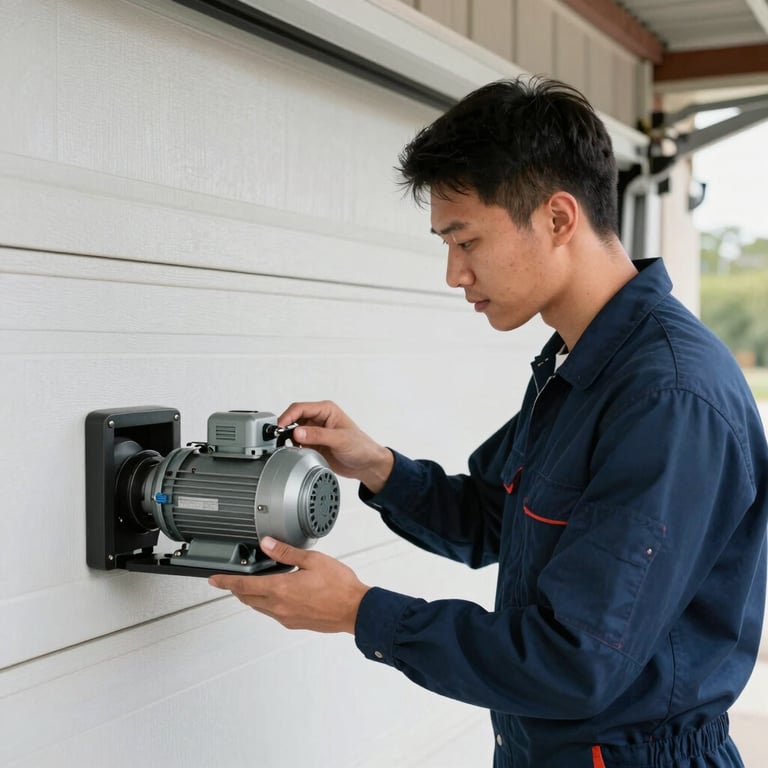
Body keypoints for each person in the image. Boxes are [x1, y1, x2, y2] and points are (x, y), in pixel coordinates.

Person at [209, 76, 768, 768]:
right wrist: (377, 467)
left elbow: (575, 662)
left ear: (559, 219)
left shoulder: (668, 399)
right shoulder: (579, 366)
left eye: (465, 240)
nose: (453, 273)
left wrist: (362, 612)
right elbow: (498, 520)